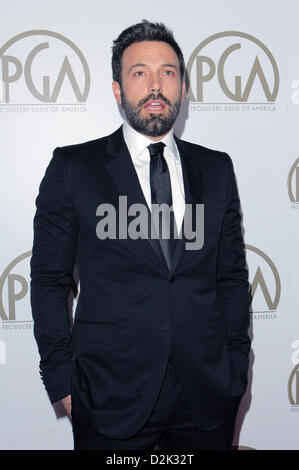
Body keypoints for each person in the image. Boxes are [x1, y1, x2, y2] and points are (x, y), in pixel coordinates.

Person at [30, 20, 251, 450]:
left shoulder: (217, 168)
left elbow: (231, 279)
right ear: (117, 89)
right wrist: (62, 381)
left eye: (167, 72)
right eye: (139, 73)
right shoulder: (74, 168)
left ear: (183, 88)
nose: (155, 85)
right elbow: (49, 282)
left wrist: (235, 369)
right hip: (109, 398)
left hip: (207, 398)